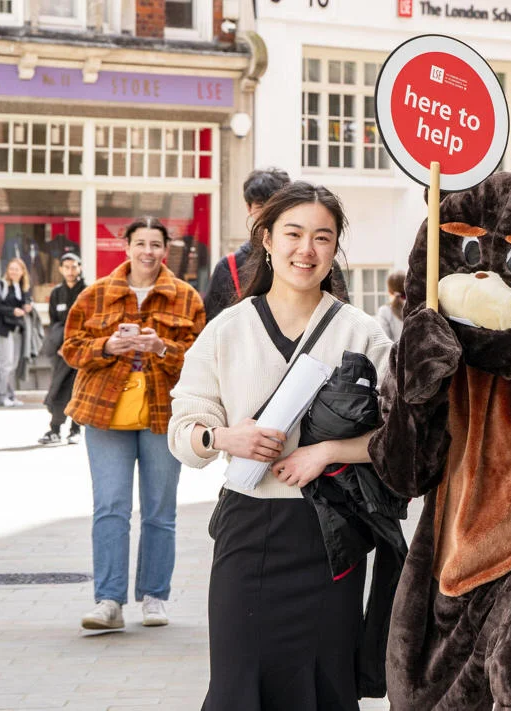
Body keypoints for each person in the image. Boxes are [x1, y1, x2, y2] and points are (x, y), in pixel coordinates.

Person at [168, 182, 392, 710]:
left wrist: (329, 452)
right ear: (266, 239)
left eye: (322, 237)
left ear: (335, 249)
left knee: (324, 681)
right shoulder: (227, 328)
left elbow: (409, 437)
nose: (305, 250)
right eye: (293, 234)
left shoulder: (362, 333)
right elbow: (183, 430)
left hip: (331, 532)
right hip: (247, 528)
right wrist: (225, 437)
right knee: (238, 680)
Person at [62, 217, 205, 632]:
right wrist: (107, 345)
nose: (147, 251)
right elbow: (70, 348)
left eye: (155, 244)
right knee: (110, 508)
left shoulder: (186, 297)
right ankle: (108, 600)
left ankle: (155, 597)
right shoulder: (95, 294)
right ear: (125, 247)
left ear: (166, 250)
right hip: (104, 413)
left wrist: (162, 346)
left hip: (163, 413)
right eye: (139, 243)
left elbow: (200, 357)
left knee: (160, 512)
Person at [203, 167, 350, 321]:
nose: (305, 251)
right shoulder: (229, 267)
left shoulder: (320, 263)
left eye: (321, 238)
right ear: (249, 208)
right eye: (261, 206)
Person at [39, 253, 86, 444]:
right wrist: (60, 346)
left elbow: (90, 322)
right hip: (61, 352)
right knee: (58, 388)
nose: (70, 271)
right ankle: (55, 429)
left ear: (80, 268)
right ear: (61, 269)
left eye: (74, 266)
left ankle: (76, 430)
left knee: (78, 390)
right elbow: (54, 323)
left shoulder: (87, 291)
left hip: (82, 350)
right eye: (66, 267)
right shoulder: (57, 292)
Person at [0, 257, 32, 407]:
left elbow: (27, 303)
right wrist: (12, 311)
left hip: (18, 329)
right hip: (4, 329)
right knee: (6, 364)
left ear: (23, 271)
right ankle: (2, 395)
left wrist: (28, 306)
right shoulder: (2, 285)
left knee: (14, 364)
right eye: (11, 269)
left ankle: (11, 395)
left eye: (17, 269)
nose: (14, 272)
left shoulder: (23, 288)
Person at [375, 269, 405, 340]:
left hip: (395, 350)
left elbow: (385, 341)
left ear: (389, 291)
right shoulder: (418, 307)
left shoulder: (384, 311)